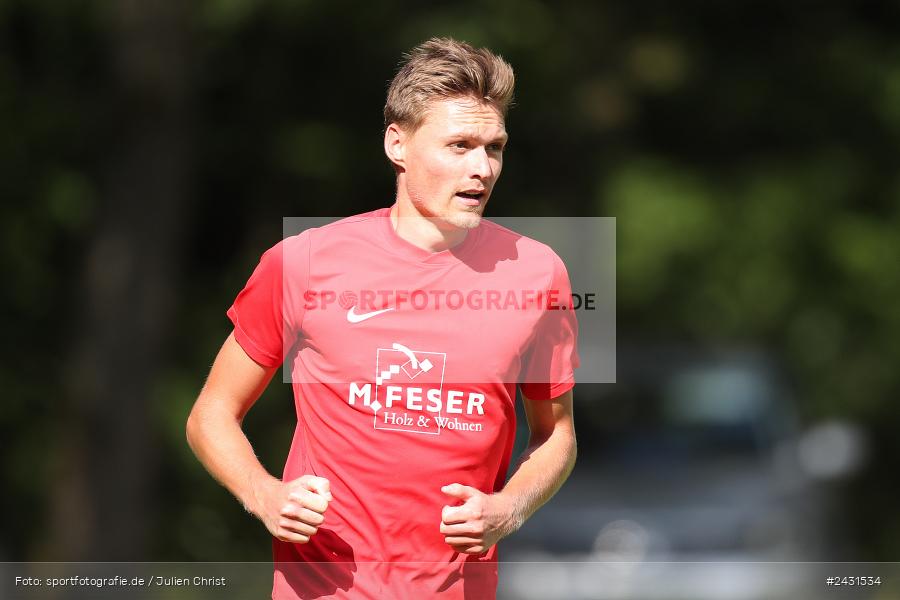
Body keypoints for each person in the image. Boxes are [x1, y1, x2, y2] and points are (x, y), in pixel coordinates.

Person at [186, 37, 579, 599]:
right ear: (398, 144)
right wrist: (264, 494)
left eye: (494, 148)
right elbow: (211, 414)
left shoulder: (539, 273)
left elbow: (556, 434)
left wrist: (507, 509)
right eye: (460, 145)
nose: (482, 168)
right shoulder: (304, 261)